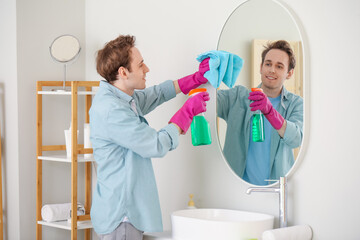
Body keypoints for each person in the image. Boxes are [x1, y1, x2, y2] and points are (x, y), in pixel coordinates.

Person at [89, 35, 210, 239]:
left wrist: (195, 79)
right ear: (123, 72)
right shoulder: (112, 110)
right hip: (122, 218)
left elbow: (157, 94)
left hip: (123, 214)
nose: (147, 69)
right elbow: (155, 145)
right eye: (141, 64)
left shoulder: (122, 98)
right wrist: (186, 113)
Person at [217, 40, 303, 185]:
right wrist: (213, 74)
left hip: (275, 191)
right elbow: (205, 102)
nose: (272, 70)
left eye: (279, 66)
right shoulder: (238, 97)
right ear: (261, 67)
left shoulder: (296, 103)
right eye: (268, 64)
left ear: (289, 73)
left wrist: (270, 112)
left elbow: (296, 139)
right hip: (237, 189)